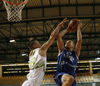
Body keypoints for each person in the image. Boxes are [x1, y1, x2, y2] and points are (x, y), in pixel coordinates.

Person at [22, 18, 67, 86]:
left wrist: (31, 41)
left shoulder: (31, 54)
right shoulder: (41, 50)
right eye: (38, 43)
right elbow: (52, 37)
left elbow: (30, 47)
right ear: (35, 46)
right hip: (32, 83)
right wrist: (58, 27)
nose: (40, 44)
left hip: (29, 82)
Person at [54, 19, 82, 86]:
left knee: (71, 79)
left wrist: (78, 28)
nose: (68, 42)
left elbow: (79, 41)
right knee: (70, 79)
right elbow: (58, 36)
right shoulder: (62, 51)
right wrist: (67, 29)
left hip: (70, 78)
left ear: (73, 46)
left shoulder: (75, 54)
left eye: (70, 42)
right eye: (66, 42)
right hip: (61, 74)